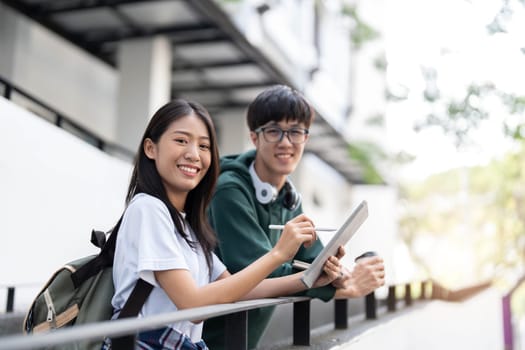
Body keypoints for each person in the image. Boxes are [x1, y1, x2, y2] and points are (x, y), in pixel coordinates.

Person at [103, 99, 344, 350]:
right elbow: (193, 305)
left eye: (204, 145)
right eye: (181, 140)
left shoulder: (189, 225)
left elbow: (237, 288)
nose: (194, 154)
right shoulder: (148, 209)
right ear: (151, 149)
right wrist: (278, 254)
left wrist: (308, 280)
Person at [202, 85, 386, 349]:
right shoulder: (228, 189)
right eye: (274, 131)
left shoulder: (289, 197)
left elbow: (311, 261)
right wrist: (340, 288)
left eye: (296, 132)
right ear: (254, 137)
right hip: (207, 338)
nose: (286, 142)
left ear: (305, 138)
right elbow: (254, 270)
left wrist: (339, 273)